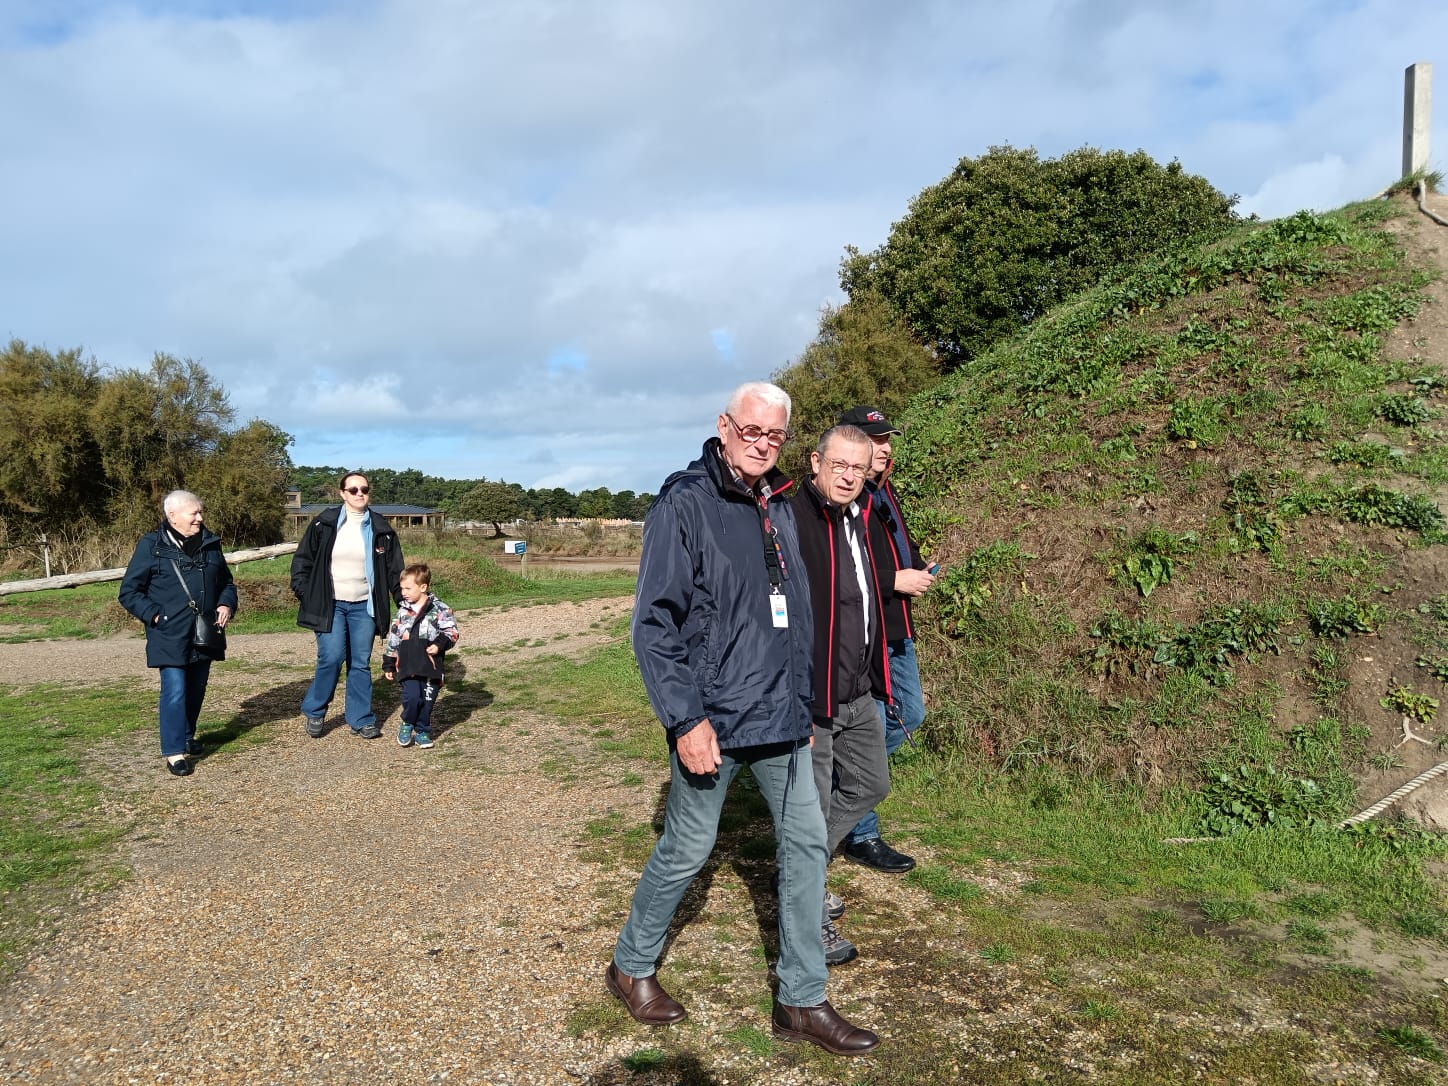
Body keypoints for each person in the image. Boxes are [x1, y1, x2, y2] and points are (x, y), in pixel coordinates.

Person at [607, 381, 879, 1057]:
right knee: (686, 851)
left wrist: (806, 704)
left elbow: (797, 612)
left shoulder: (780, 503)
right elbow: (654, 626)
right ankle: (630, 965)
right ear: (724, 426)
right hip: (713, 720)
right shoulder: (685, 502)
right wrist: (684, 719)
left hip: (783, 718)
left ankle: (802, 1001)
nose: (762, 444)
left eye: (775, 435)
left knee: (809, 846)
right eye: (752, 431)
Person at [791, 424, 894, 965]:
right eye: (840, 465)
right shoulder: (793, 518)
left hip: (857, 690)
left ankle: (802, 867)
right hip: (814, 698)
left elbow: (863, 598)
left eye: (859, 467)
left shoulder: (858, 514)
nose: (850, 476)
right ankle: (807, 916)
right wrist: (795, 699)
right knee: (809, 816)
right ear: (816, 461)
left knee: (871, 784)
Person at [838, 406, 936, 874]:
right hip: (867, 630)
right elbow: (840, 569)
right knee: (872, 727)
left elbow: (895, 546)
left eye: (887, 439)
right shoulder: (847, 497)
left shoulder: (881, 491)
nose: (886, 448)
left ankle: (846, 784)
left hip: (898, 625)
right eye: (876, 440)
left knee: (910, 714)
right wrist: (895, 579)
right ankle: (860, 832)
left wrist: (917, 569)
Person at [118, 490, 237, 777]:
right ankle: (173, 752)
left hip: (204, 631)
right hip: (168, 632)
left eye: (200, 512)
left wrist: (225, 603)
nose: (200, 518)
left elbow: (227, 583)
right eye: (193, 513)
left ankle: (186, 735)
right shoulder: (151, 545)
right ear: (172, 516)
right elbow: (129, 592)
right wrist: (155, 615)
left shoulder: (210, 543)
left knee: (196, 689)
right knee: (175, 690)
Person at [290, 471, 404, 739]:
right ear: (342, 493)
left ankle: (361, 718)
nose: (359, 494)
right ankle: (315, 710)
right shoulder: (324, 524)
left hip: (364, 605)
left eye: (364, 489)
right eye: (353, 490)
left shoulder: (382, 530)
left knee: (360, 663)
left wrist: (405, 602)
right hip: (330, 604)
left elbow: (394, 571)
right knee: (331, 657)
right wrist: (307, 593)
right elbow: (302, 562)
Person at [382, 562, 460, 749]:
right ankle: (407, 722)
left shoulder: (440, 609)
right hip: (408, 664)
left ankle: (423, 730)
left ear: (423, 587)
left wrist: (438, 645)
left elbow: (452, 632)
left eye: (408, 588)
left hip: (431, 664)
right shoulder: (402, 612)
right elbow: (394, 638)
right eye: (402, 589)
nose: (404, 593)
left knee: (427, 700)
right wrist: (389, 663)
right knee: (412, 697)